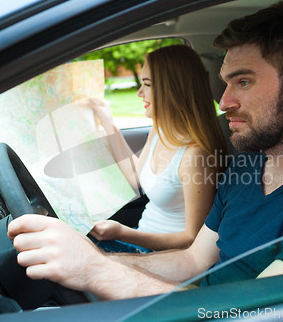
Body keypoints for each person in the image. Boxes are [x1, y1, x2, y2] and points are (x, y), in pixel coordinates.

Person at [7, 1, 283, 301]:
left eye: (243, 80)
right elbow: (194, 259)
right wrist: (94, 258)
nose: (223, 101)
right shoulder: (249, 165)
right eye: (225, 82)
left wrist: (96, 271)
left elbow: (247, 313)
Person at [88, 45, 227, 252]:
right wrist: (108, 124)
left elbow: (192, 238)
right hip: (139, 239)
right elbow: (136, 178)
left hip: (163, 255)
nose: (139, 92)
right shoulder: (159, 129)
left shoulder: (195, 155)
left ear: (172, 88)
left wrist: (122, 232)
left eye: (147, 84)